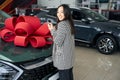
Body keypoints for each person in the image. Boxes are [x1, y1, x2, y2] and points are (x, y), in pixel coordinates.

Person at [48, 4, 75, 80]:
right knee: (69, 76)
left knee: (64, 77)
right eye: (58, 12)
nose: (59, 14)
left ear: (66, 13)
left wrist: (52, 30)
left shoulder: (62, 24)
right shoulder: (69, 23)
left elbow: (58, 42)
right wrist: (54, 29)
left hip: (63, 59)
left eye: (62, 12)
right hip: (69, 57)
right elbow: (63, 37)